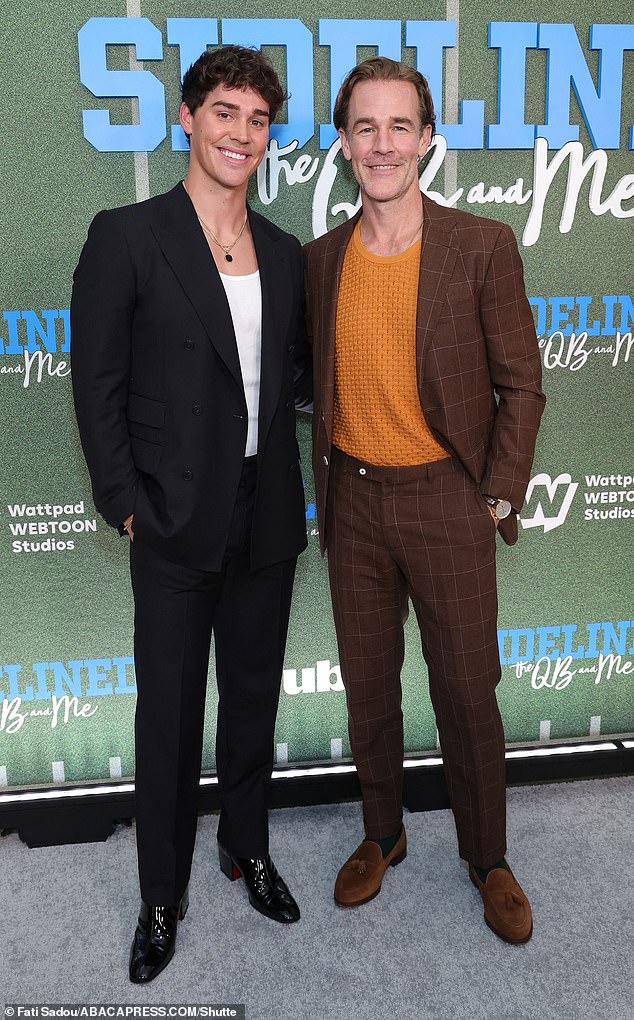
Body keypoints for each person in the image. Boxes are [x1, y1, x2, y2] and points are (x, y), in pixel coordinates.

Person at [71, 45, 311, 983]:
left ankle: (245, 849)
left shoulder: (285, 253)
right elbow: (97, 384)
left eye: (257, 120)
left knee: (252, 697)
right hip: (169, 516)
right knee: (168, 713)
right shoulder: (128, 235)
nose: (240, 134)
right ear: (187, 116)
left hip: (267, 516)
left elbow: (290, 381)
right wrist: (124, 503)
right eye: (225, 113)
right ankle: (160, 895)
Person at [304, 57, 545, 944]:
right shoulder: (319, 260)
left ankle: (488, 858)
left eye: (399, 126)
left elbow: (523, 387)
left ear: (428, 140)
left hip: (448, 501)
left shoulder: (481, 246)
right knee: (369, 688)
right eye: (364, 127)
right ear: (342, 146)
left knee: (467, 693)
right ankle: (383, 832)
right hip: (354, 504)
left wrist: (494, 496)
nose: (382, 144)